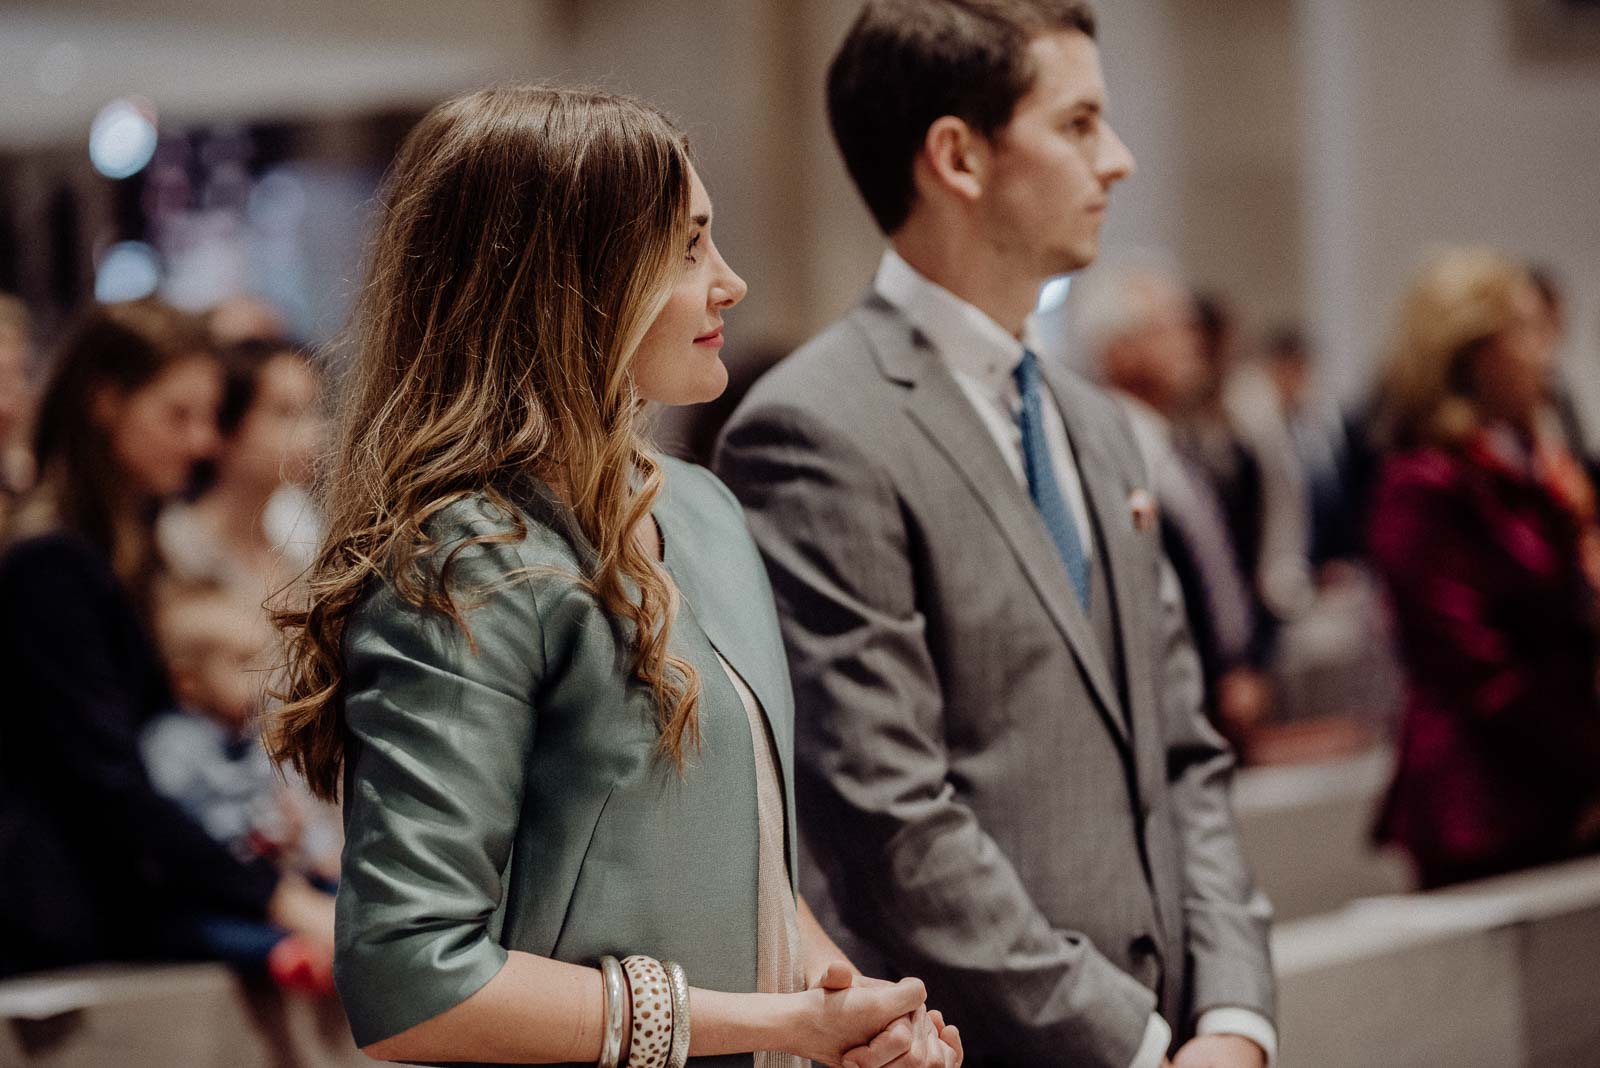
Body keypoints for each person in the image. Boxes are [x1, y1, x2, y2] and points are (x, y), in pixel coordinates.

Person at [266, 85, 961, 1068]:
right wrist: (772, 1023)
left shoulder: (700, 509)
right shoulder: (467, 561)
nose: (730, 283)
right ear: (570, 280)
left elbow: (735, 847)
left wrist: (844, 1005)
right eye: (686, 249)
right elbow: (410, 978)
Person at [714, 3, 1276, 1066]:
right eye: (1076, 125)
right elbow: (890, 817)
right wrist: (1141, 1044)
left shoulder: (1095, 417)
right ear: (958, 157)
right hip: (997, 1042)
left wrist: (1237, 1020)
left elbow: (1185, 751)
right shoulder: (817, 427)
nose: (1117, 160)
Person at [0, 299, 333, 978]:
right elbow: (111, 786)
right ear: (106, 403)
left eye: (208, 417)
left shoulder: (122, 552)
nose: (204, 441)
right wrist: (278, 899)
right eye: (178, 415)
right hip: (69, 929)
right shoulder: (52, 563)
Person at [1368, 247, 1600, 889]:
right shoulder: (1422, 485)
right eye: (1525, 330)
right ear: (1472, 354)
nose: (1545, 351)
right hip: (1484, 804)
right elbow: (1474, 667)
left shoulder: (1536, 467)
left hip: (1559, 786)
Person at [140, 580, 338, 992]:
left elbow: (292, 804)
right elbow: (176, 834)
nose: (262, 682)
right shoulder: (171, 746)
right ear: (187, 681)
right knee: (203, 927)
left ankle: (328, 942)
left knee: (341, 894)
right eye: (241, 665)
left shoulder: (257, 741)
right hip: (223, 890)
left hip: (280, 874)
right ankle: (283, 953)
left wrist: (313, 846)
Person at [158, 337, 326, 614]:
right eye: (284, 413)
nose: (313, 434)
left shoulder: (299, 534)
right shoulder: (178, 545)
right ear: (226, 427)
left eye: (313, 411)